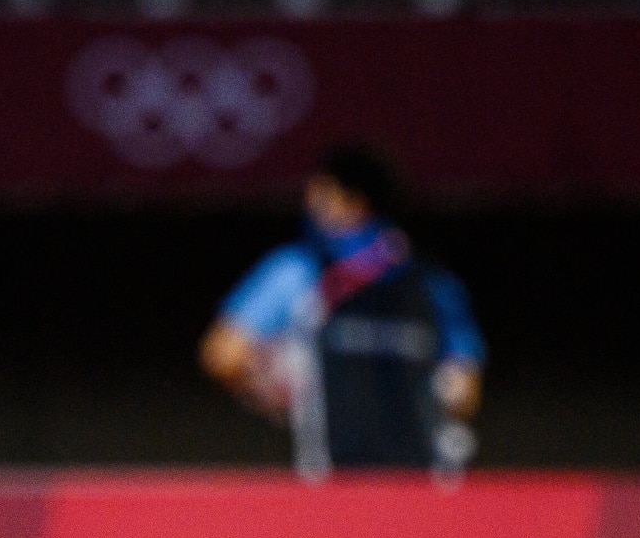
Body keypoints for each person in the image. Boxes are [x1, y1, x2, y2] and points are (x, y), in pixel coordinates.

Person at [199, 143, 484, 477]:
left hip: (334, 486)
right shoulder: (434, 282)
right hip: (423, 484)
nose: (310, 202)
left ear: (352, 200)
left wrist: (281, 390)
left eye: (322, 192)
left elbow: (223, 354)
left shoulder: (298, 271)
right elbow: (464, 391)